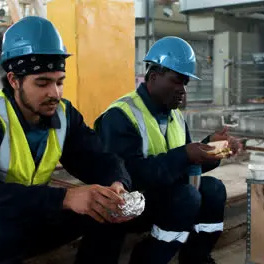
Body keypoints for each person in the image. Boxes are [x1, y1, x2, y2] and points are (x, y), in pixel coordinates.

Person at [0, 16, 134, 264]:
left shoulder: (64, 115)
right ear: (14, 80)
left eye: (59, 82)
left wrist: (116, 183)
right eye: (42, 83)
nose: (54, 93)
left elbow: (97, 158)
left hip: (31, 214)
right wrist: (65, 198)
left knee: (106, 211)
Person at [92, 36, 243, 264]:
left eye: (185, 83)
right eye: (177, 81)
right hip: (131, 203)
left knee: (213, 190)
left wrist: (214, 149)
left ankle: (196, 257)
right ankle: (148, 257)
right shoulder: (121, 115)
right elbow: (130, 174)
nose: (182, 90)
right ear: (154, 77)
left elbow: (188, 163)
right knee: (187, 197)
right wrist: (187, 154)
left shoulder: (174, 116)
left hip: (163, 193)